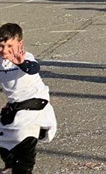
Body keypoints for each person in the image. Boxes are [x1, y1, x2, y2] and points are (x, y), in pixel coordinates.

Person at [0, 22, 58, 174]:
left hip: (35, 104)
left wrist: (22, 63)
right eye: (1, 46)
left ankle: (22, 168)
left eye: (9, 46)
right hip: (16, 107)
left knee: (24, 141)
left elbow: (33, 68)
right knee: (3, 141)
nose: (5, 50)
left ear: (20, 44)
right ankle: (11, 166)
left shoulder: (25, 57)